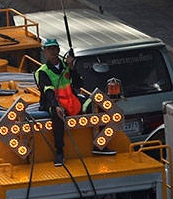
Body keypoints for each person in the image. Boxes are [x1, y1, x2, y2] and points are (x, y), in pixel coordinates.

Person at [35, 37, 115, 166]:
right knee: (57, 117)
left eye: (55, 48)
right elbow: (48, 92)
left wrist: (72, 68)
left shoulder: (67, 67)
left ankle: (100, 145)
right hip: (52, 102)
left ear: (59, 49)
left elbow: (79, 84)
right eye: (49, 49)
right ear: (45, 51)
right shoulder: (42, 72)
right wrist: (56, 106)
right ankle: (60, 152)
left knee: (97, 106)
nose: (52, 51)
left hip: (71, 99)